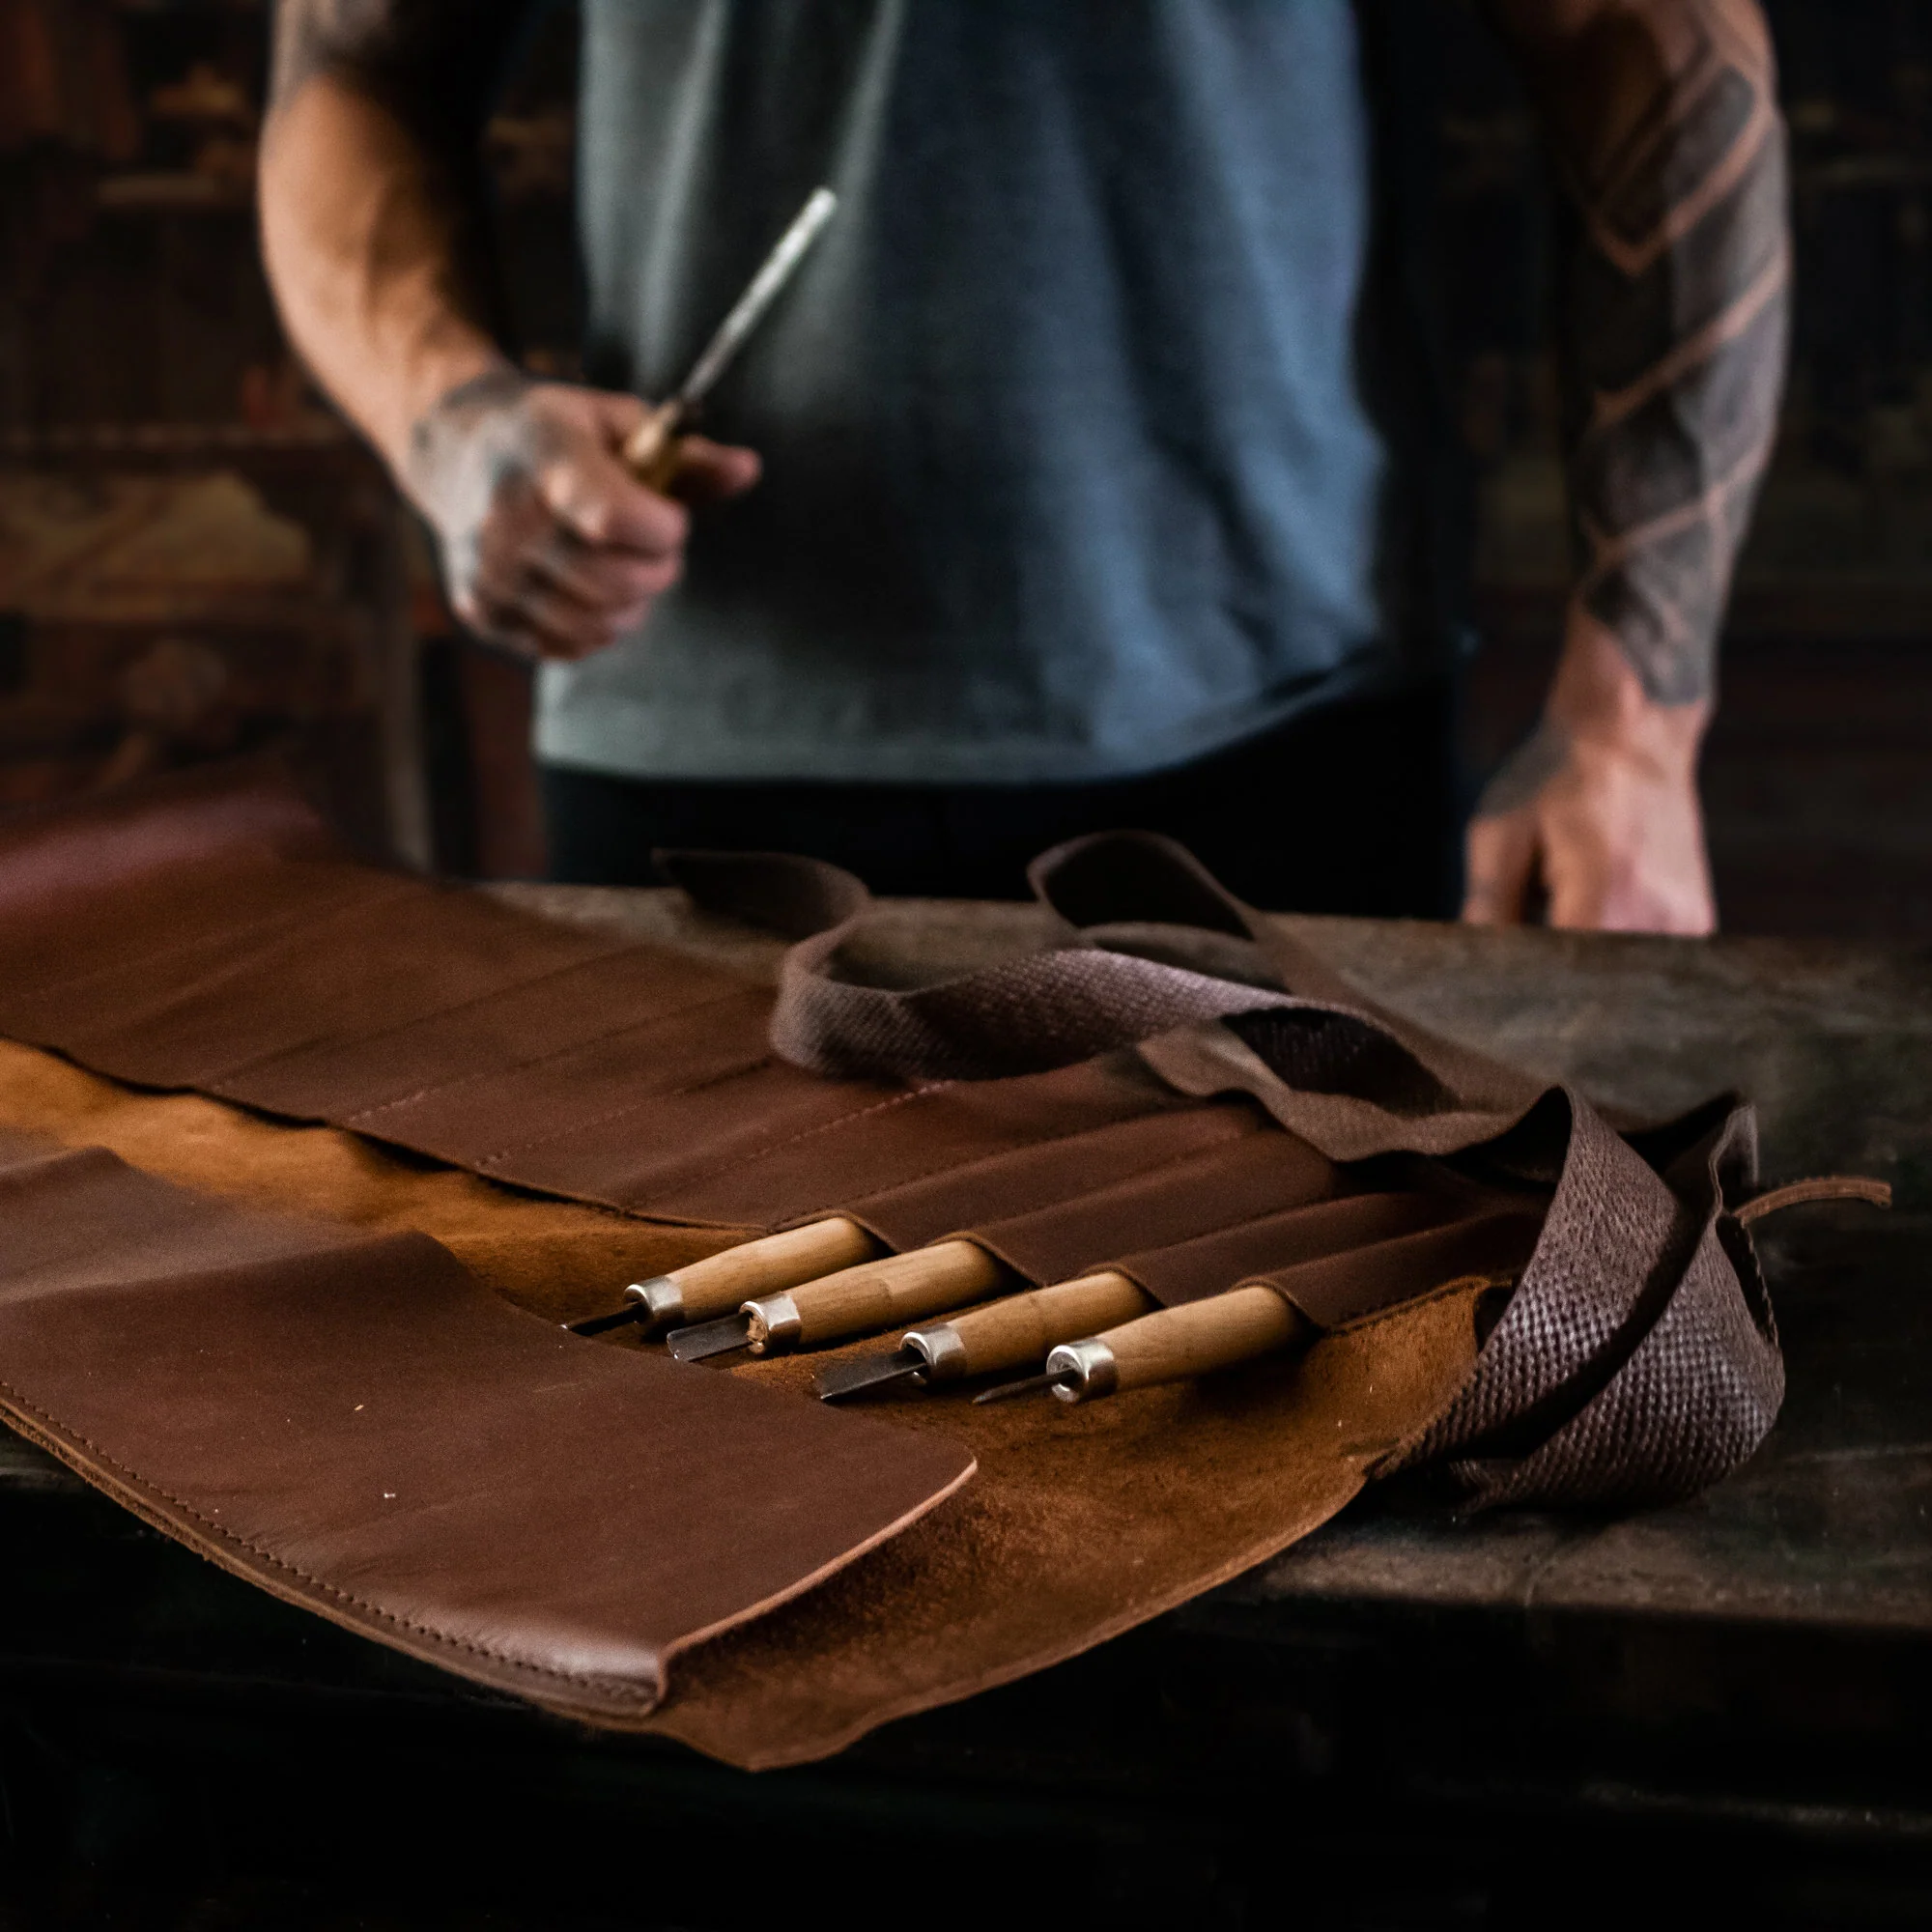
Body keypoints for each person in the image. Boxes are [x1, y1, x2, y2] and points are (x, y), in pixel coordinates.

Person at [261, 0, 1788, 930]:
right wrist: (452, 425)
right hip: (697, 756)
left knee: (1321, 1432)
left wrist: (1636, 728)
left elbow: (1649, 45)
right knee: (700, 1439)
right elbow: (348, 74)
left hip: (1287, 744)